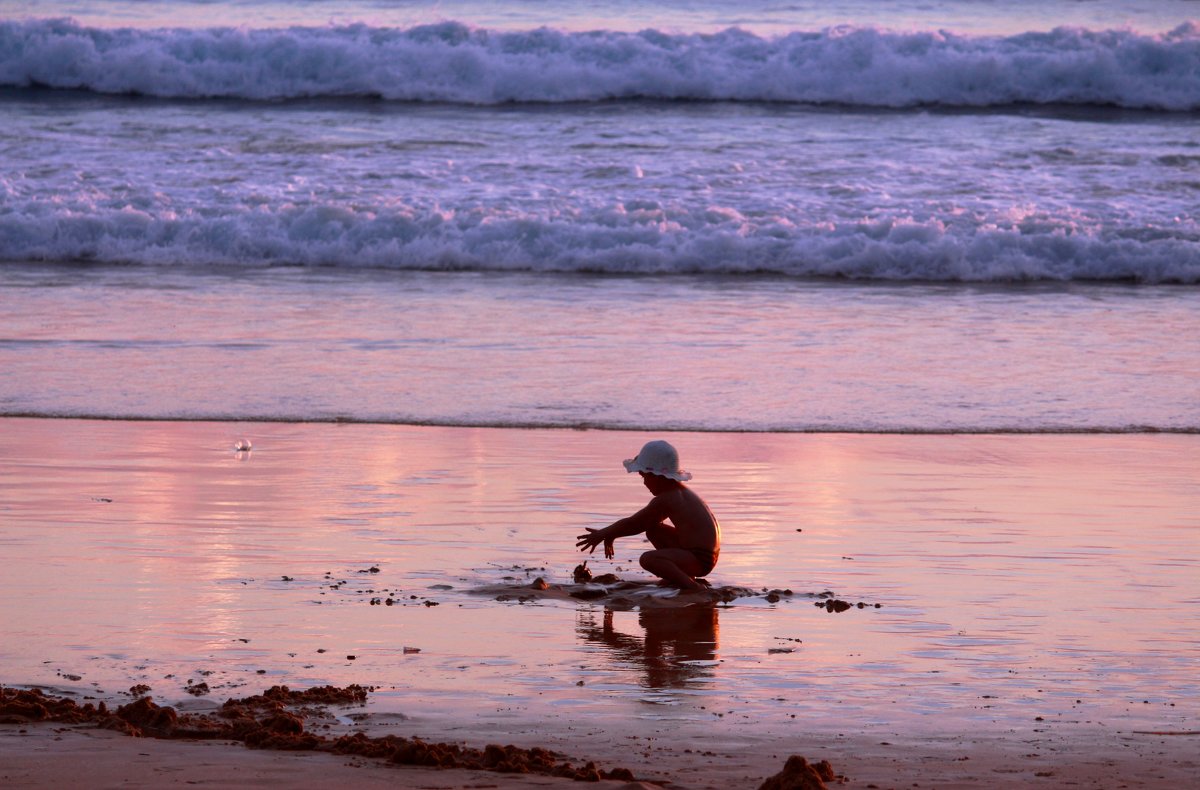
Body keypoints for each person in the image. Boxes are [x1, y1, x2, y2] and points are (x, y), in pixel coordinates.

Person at [576, 440, 720, 592]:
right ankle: (680, 575)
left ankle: (691, 585)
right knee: (654, 530)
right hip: (702, 555)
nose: (644, 482)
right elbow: (645, 523)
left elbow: (635, 523)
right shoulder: (680, 493)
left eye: (644, 476)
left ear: (656, 476)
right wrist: (612, 535)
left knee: (648, 559)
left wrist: (604, 533)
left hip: (700, 558)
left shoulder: (668, 499)